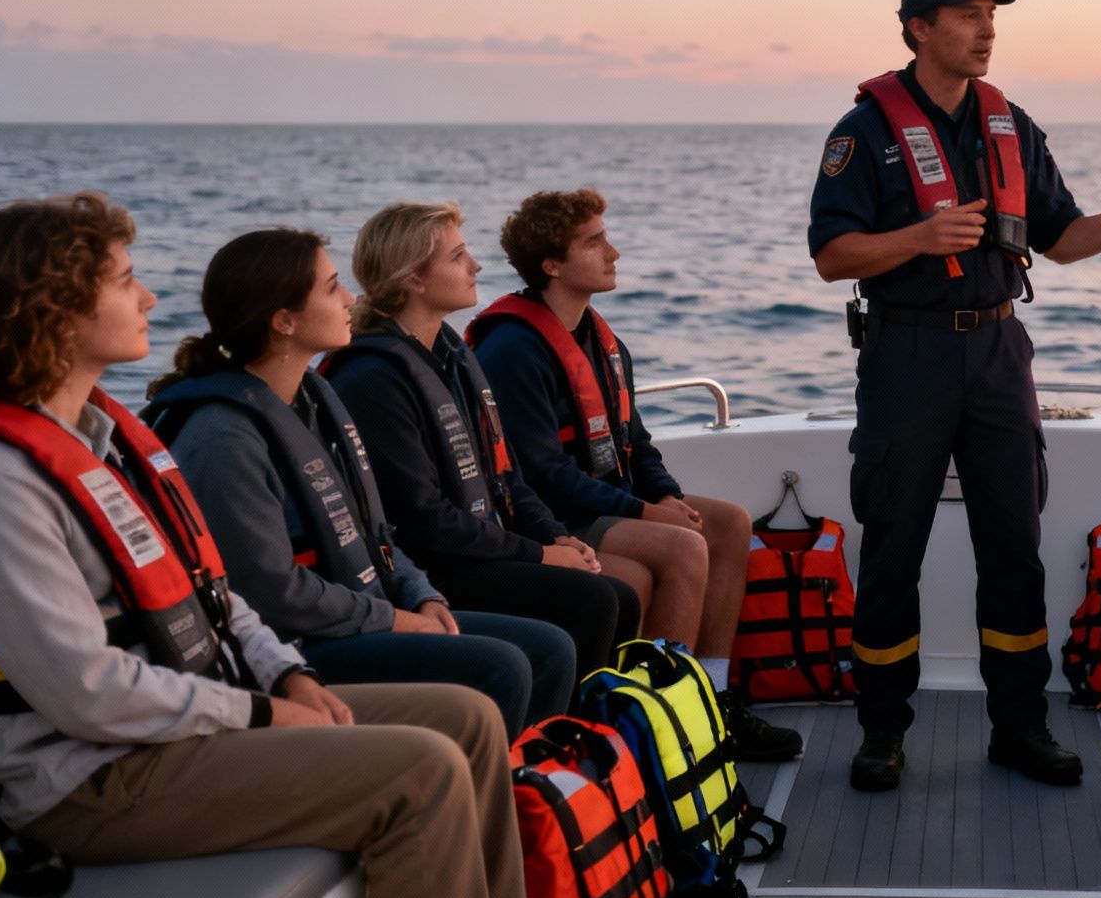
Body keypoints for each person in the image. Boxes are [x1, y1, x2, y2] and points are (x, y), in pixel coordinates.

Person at [0, 193, 528, 898]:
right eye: (125, 280)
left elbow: (212, 595)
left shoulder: (98, 442)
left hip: (184, 724)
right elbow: (87, 695)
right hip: (89, 781)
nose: (150, 296)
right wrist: (265, 713)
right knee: (421, 770)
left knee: (470, 717)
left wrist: (286, 675)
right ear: (53, 309)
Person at [808, 0, 1101, 791]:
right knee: (891, 551)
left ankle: (1019, 727)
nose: (986, 30)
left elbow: (1060, 240)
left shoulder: (1011, 124)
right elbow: (831, 256)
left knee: (1014, 550)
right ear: (918, 28)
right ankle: (882, 732)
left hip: (996, 352)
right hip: (904, 353)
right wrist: (918, 238)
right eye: (966, 15)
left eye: (992, 15)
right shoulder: (863, 133)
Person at [143, 228, 577, 736]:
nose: (350, 298)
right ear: (284, 321)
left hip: (360, 608)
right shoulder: (224, 437)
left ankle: (534, 793)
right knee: (502, 665)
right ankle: (483, 800)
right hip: (293, 649)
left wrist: (422, 596)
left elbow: (377, 533)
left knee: (549, 647)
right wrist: (392, 619)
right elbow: (270, 591)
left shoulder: (313, 400)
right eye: (331, 289)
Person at [469, 187, 802, 760]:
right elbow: (541, 474)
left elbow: (636, 442)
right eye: (594, 242)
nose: (614, 252)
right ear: (551, 265)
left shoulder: (602, 341)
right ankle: (665, 725)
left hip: (606, 499)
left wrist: (667, 495)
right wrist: (649, 513)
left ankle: (713, 699)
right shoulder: (514, 350)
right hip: (553, 517)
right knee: (680, 548)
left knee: (726, 522)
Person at [323, 201, 640, 674]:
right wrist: (538, 553)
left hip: (478, 545)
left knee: (617, 595)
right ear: (414, 278)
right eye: (458, 257)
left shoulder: (451, 356)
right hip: (434, 567)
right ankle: (558, 739)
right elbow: (423, 521)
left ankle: (598, 729)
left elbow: (505, 476)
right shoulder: (373, 379)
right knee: (592, 600)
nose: (476, 265)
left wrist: (554, 536)